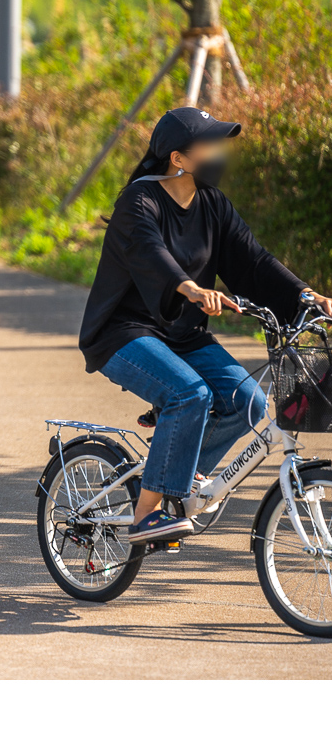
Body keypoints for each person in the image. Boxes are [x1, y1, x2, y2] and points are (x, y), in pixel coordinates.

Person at [79, 108, 332, 544]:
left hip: (183, 335)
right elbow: (149, 253)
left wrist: (307, 297)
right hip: (125, 334)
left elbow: (254, 262)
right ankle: (145, 516)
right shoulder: (139, 202)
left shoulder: (212, 204)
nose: (219, 153)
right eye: (209, 145)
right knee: (188, 393)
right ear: (178, 157)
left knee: (248, 402)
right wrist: (188, 288)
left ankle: (176, 470)